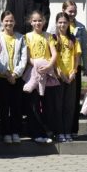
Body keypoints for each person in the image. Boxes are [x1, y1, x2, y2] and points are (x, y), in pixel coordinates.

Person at [0, 11, 27, 144]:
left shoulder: (20, 38)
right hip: (2, 78)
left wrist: (15, 74)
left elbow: (24, 59)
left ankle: (15, 131)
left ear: (15, 22)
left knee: (16, 106)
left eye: (11, 21)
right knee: (4, 106)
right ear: (2, 22)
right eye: (6, 21)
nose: (9, 23)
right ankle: (6, 132)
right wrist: (6, 73)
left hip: (16, 78)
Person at [23, 10, 57, 144]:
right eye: (35, 20)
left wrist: (49, 66)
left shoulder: (48, 36)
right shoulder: (27, 36)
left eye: (40, 20)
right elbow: (27, 56)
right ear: (31, 22)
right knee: (34, 104)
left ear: (44, 22)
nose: (37, 23)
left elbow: (54, 53)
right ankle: (36, 133)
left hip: (47, 72)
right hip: (33, 72)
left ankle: (47, 131)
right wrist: (36, 64)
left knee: (47, 104)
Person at [50, 12, 81, 143]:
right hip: (58, 77)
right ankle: (59, 132)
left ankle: (68, 131)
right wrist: (60, 74)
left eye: (65, 22)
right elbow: (53, 58)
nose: (62, 25)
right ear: (56, 23)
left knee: (69, 106)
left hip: (71, 77)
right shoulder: (53, 38)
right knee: (58, 106)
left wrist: (74, 71)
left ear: (69, 23)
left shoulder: (73, 39)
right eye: (60, 22)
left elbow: (77, 57)